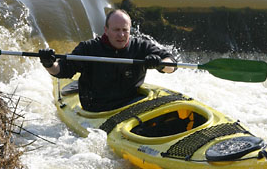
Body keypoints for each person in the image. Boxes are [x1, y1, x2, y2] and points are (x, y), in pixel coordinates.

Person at [39, 9, 177, 112]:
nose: (121, 35)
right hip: (97, 108)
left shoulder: (141, 46)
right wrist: (48, 63)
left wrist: (160, 64)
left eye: (125, 30)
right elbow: (61, 71)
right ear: (106, 30)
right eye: (116, 30)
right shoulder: (89, 48)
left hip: (130, 104)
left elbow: (171, 64)